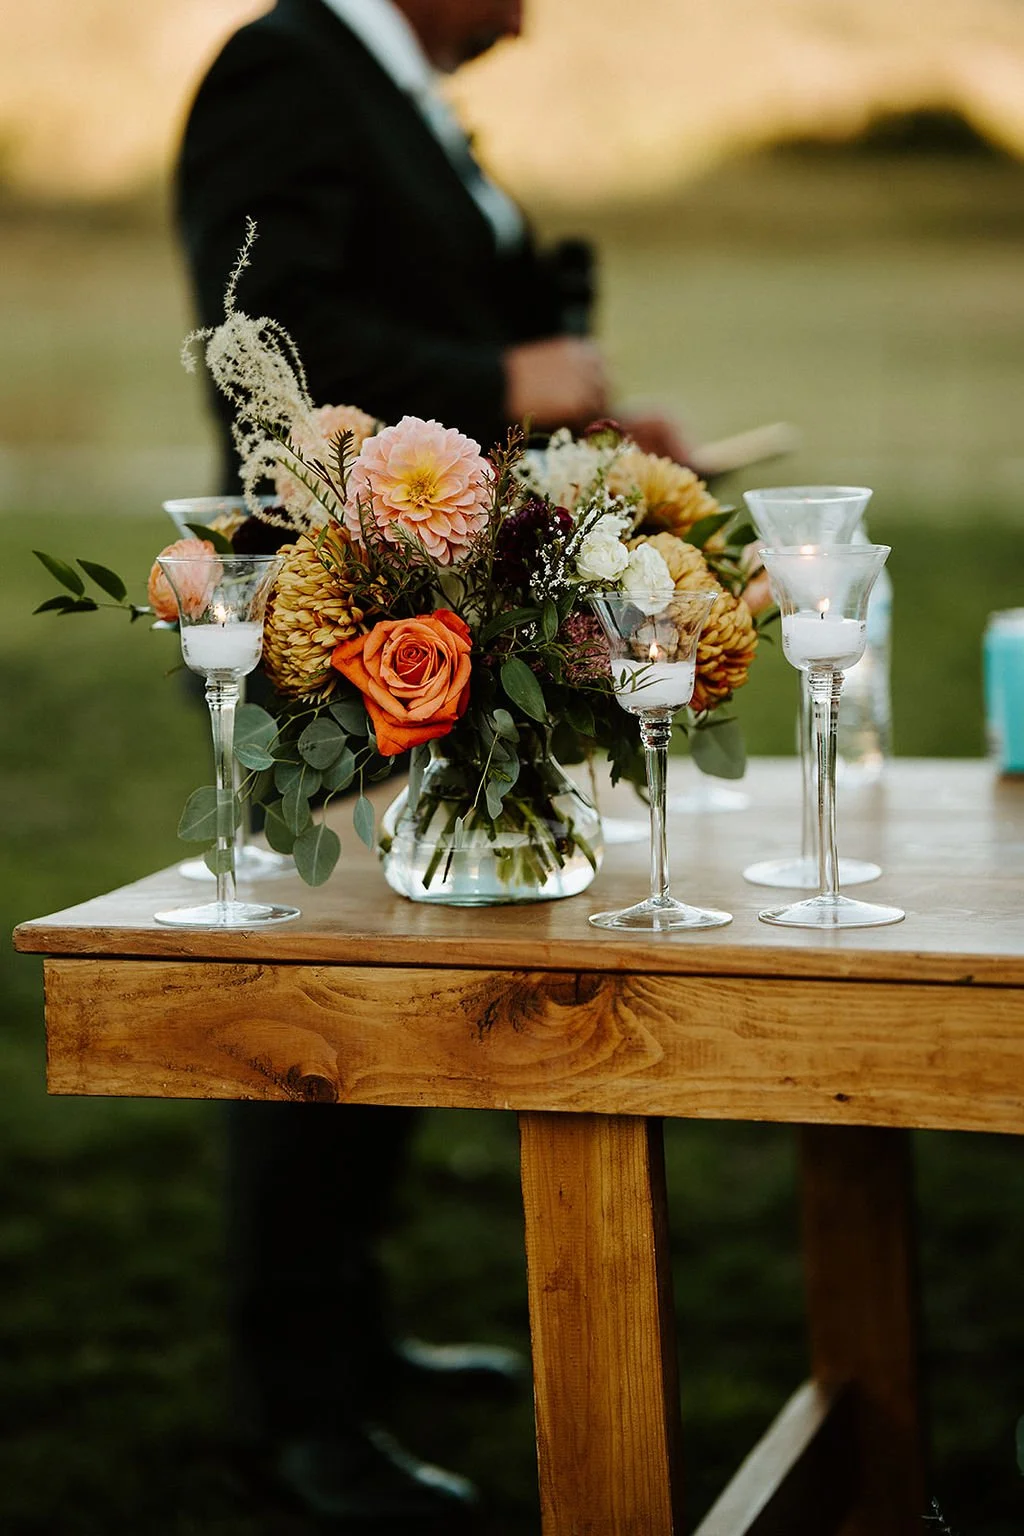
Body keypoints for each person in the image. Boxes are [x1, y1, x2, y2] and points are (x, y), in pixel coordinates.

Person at [176, 2, 690, 1527]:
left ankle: (356, 1335)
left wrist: (593, 442)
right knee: (315, 1002)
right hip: (324, 619)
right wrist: (505, 373)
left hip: (450, 604)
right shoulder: (288, 70)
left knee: (394, 979)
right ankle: (294, 1411)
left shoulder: (402, 95)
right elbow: (266, 343)